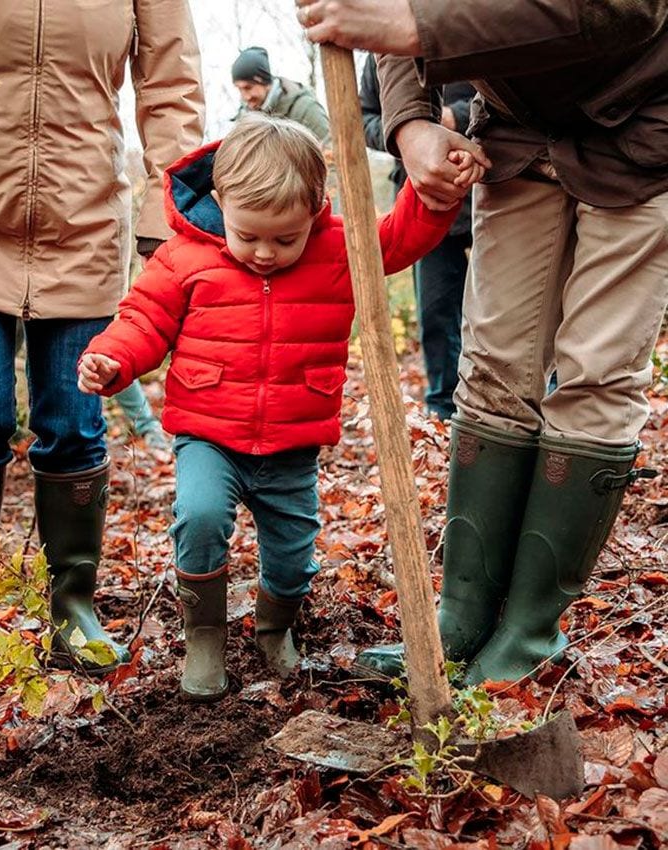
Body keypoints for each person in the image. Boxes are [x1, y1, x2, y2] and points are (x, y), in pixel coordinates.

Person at [298, 0, 668, 685]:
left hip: (644, 126)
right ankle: (463, 619)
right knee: (493, 367)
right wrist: (410, 124)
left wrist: (418, 28)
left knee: (595, 375)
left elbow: (628, 9)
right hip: (516, 134)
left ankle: (528, 634)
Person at [77, 115, 478, 700]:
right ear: (220, 204)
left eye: (285, 239)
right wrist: (112, 359)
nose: (265, 252)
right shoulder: (185, 257)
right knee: (200, 516)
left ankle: (274, 629)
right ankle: (205, 635)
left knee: (292, 554)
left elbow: (398, 239)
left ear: (316, 207)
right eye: (249, 236)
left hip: (292, 440)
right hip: (209, 432)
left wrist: (433, 192)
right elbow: (143, 320)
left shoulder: (338, 248)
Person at [0, 0, 204, 673]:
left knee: (75, 423)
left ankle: (72, 598)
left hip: (83, 219)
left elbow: (171, 86)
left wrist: (166, 213)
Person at [360, 54, 474, 420]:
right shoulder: (379, 54)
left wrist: (454, 118)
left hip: (490, 185)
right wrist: (406, 130)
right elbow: (365, 119)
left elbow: (511, 101)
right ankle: (442, 406)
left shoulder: (477, 23)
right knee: (436, 311)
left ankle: (505, 408)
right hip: (422, 199)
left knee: (503, 310)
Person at [232, 46, 330, 143]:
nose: (245, 97)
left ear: (264, 82)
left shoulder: (305, 109)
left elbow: (329, 150)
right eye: (239, 89)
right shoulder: (244, 116)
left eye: (248, 88)